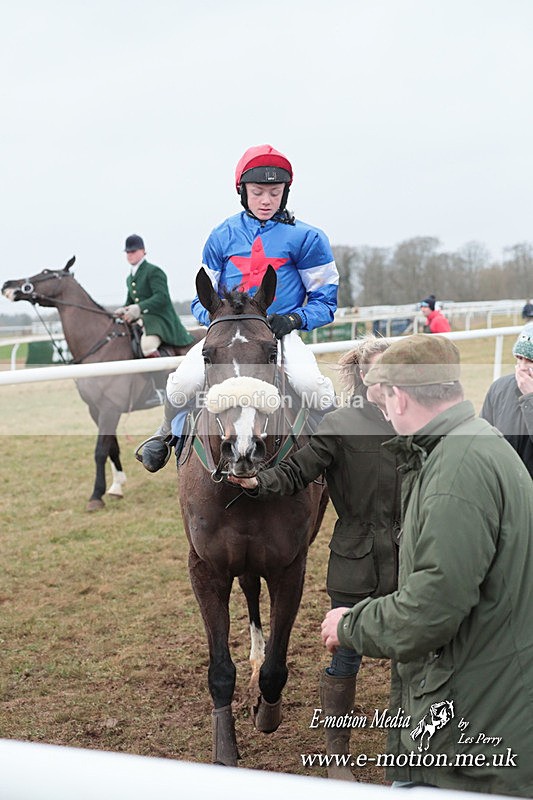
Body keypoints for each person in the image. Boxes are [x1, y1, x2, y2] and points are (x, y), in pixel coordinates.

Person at [320, 333, 533, 796]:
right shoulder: (480, 442)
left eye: (383, 399)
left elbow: (431, 608)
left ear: (399, 396)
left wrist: (350, 624)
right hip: (487, 695)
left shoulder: (454, 471)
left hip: (470, 724)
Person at [228, 336, 401, 781]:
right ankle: (336, 751)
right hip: (355, 559)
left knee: (412, 655)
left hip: (410, 555)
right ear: (364, 376)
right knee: (345, 654)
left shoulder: (416, 421)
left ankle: (407, 741)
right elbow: (297, 470)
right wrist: (258, 483)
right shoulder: (340, 424)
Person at [137, 144, 339, 472]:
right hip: (225, 335)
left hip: (276, 334)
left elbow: (326, 303)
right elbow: (198, 302)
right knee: (182, 382)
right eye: (257, 192)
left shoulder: (309, 238)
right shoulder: (221, 235)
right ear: (242, 192)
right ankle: (164, 436)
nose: (265, 201)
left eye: (274, 193)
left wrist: (293, 318)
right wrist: (219, 321)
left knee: (311, 384)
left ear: (285, 193)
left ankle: (338, 445)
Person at [114, 234, 193, 357]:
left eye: (133, 251)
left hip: (159, 319)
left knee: (147, 346)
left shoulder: (153, 271)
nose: (129, 254)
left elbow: (162, 297)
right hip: (143, 320)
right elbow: (130, 300)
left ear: (143, 251)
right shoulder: (130, 278)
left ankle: (158, 375)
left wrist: (139, 307)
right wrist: (123, 310)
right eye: (127, 252)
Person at [480, 322, 533, 477]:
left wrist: (530, 398)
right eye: (519, 358)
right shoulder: (499, 388)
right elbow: (483, 440)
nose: (522, 367)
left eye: (530, 360)